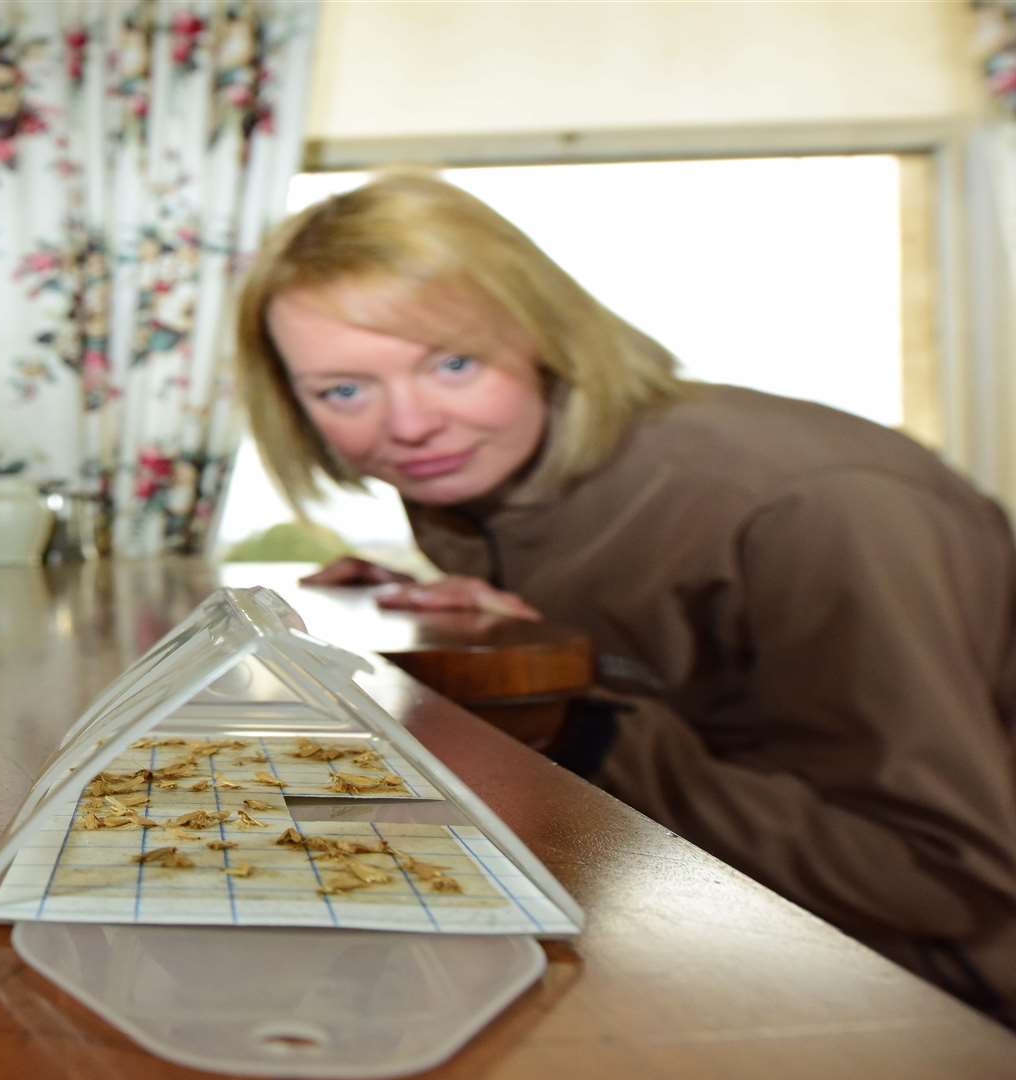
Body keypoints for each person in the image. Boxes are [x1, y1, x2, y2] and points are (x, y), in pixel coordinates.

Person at [234, 170, 1016, 1024]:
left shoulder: (822, 510)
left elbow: (943, 880)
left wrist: (582, 718)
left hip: (942, 997)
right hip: (748, 932)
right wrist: (439, 613)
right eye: (344, 391)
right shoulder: (481, 477)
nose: (409, 425)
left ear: (545, 336)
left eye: (454, 363)